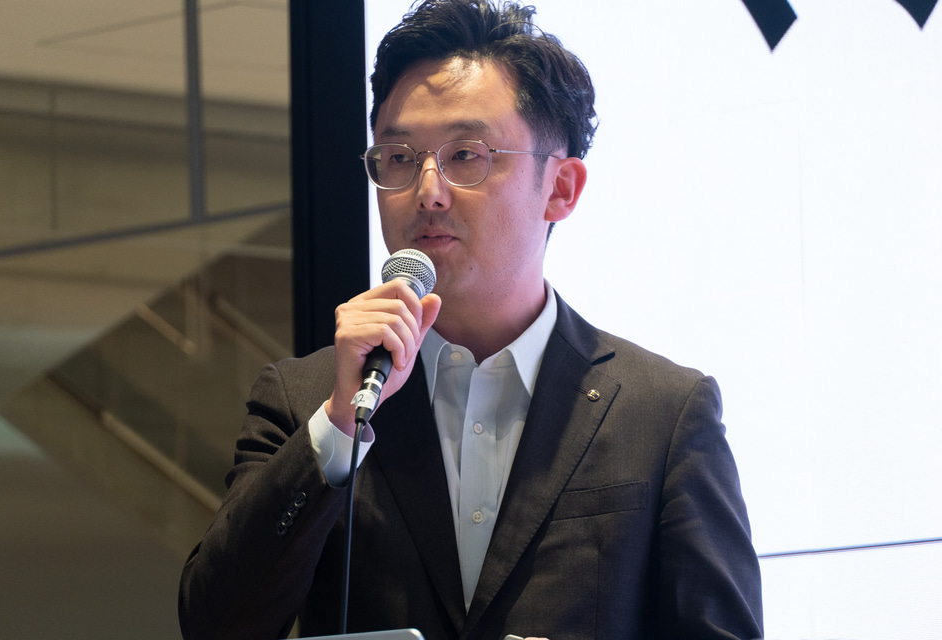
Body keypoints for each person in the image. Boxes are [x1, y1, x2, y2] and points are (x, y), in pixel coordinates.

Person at [178, 1, 764, 639]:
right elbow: (214, 626)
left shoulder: (663, 414)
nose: (427, 190)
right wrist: (340, 425)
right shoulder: (305, 401)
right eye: (399, 158)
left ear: (561, 188)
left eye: (465, 154)